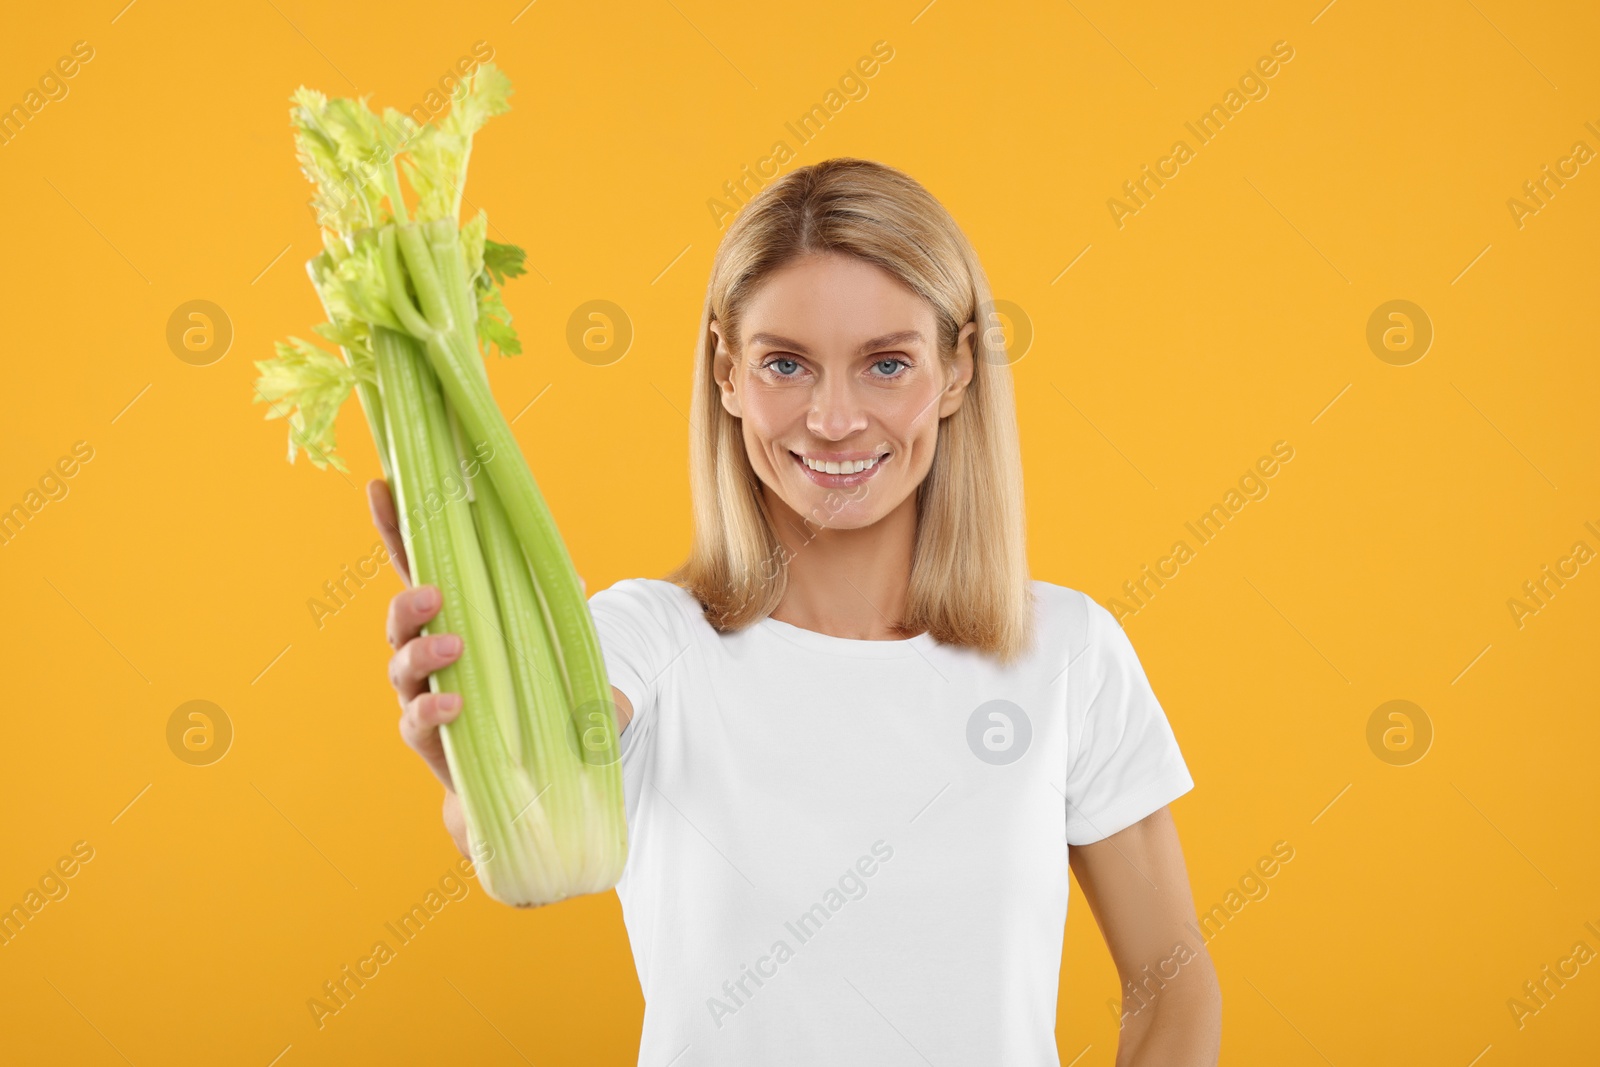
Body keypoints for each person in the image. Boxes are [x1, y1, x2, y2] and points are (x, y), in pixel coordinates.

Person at [369, 158, 1221, 1065]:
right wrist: (478, 772)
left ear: (961, 369)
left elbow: (1175, 989)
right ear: (727, 373)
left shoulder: (1068, 653)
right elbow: (530, 811)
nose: (834, 418)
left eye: (887, 364)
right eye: (786, 364)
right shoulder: (647, 639)